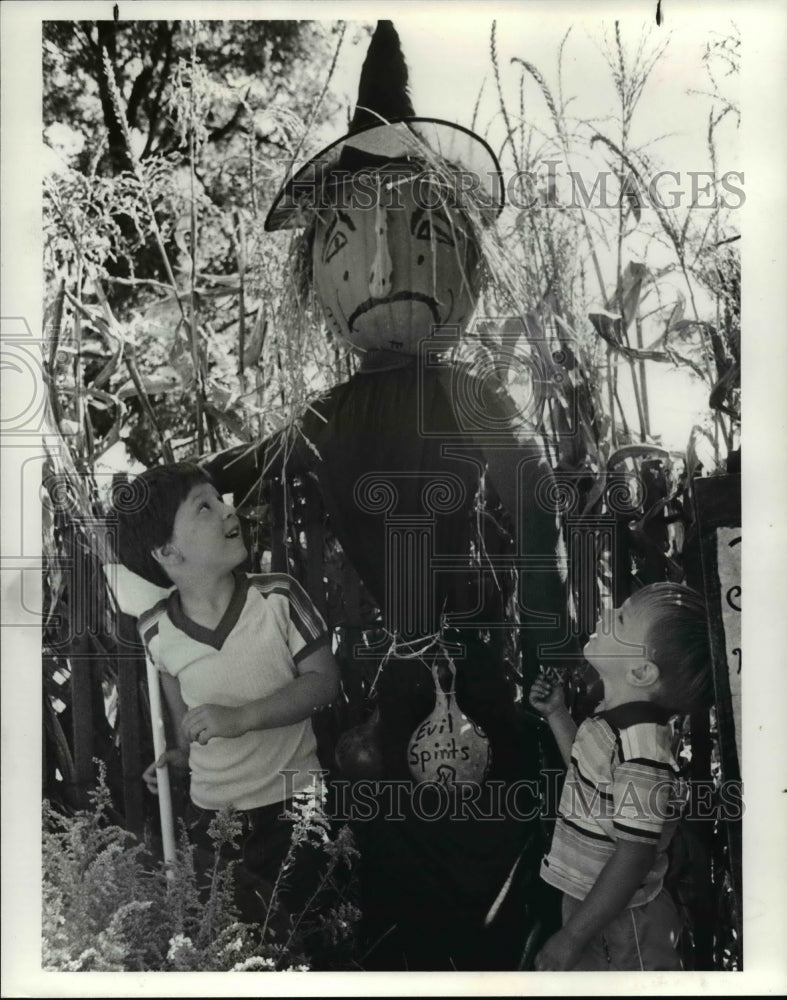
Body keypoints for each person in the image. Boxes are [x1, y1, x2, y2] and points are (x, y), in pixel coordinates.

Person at [113, 461, 340, 925]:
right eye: (204, 507)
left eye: (221, 500)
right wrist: (178, 756)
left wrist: (241, 718)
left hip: (296, 806)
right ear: (167, 552)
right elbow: (187, 723)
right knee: (236, 939)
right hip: (215, 818)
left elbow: (323, 682)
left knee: (309, 931)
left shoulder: (279, 598)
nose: (227, 511)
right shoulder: (156, 632)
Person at [528, 582, 712, 971]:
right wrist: (558, 715)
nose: (609, 613)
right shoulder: (613, 727)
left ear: (641, 671)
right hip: (594, 903)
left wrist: (572, 937)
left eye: (623, 617)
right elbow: (585, 775)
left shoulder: (643, 754)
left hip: (626, 921)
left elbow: (633, 856)